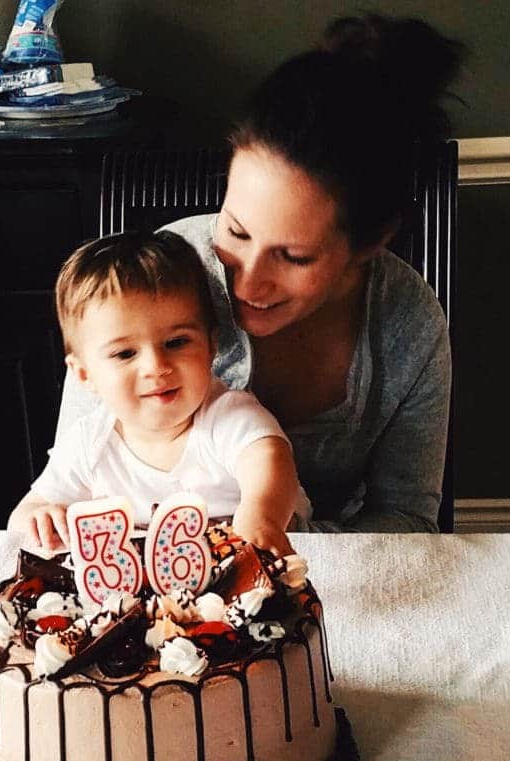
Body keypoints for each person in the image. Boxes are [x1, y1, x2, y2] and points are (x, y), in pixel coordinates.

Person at [54, 13, 465, 532]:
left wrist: (287, 567)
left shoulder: (410, 327)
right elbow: (78, 460)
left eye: (294, 258)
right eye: (237, 232)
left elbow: (406, 515)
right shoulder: (156, 276)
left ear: (370, 245)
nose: (246, 285)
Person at [8, 230, 309, 553]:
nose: (156, 366)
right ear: (85, 374)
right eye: (125, 354)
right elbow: (22, 516)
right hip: (149, 591)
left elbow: (268, 459)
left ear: (211, 346)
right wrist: (40, 517)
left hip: (253, 571)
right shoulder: (89, 443)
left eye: (176, 342)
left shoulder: (227, 415)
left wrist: (261, 516)